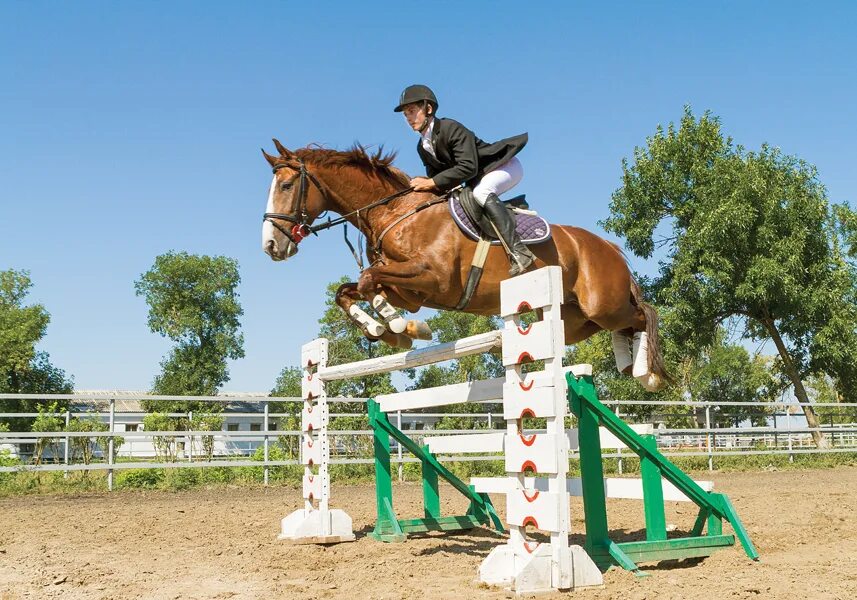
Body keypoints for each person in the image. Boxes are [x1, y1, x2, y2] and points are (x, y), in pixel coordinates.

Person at [394, 84, 535, 276]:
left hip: (502, 167)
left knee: (481, 193)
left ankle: (520, 253)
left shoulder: (450, 128)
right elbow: (440, 180)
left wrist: (431, 182)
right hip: (477, 177)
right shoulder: (422, 147)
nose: (409, 118)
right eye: (405, 115)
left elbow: (468, 166)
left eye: (412, 111)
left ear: (428, 109)